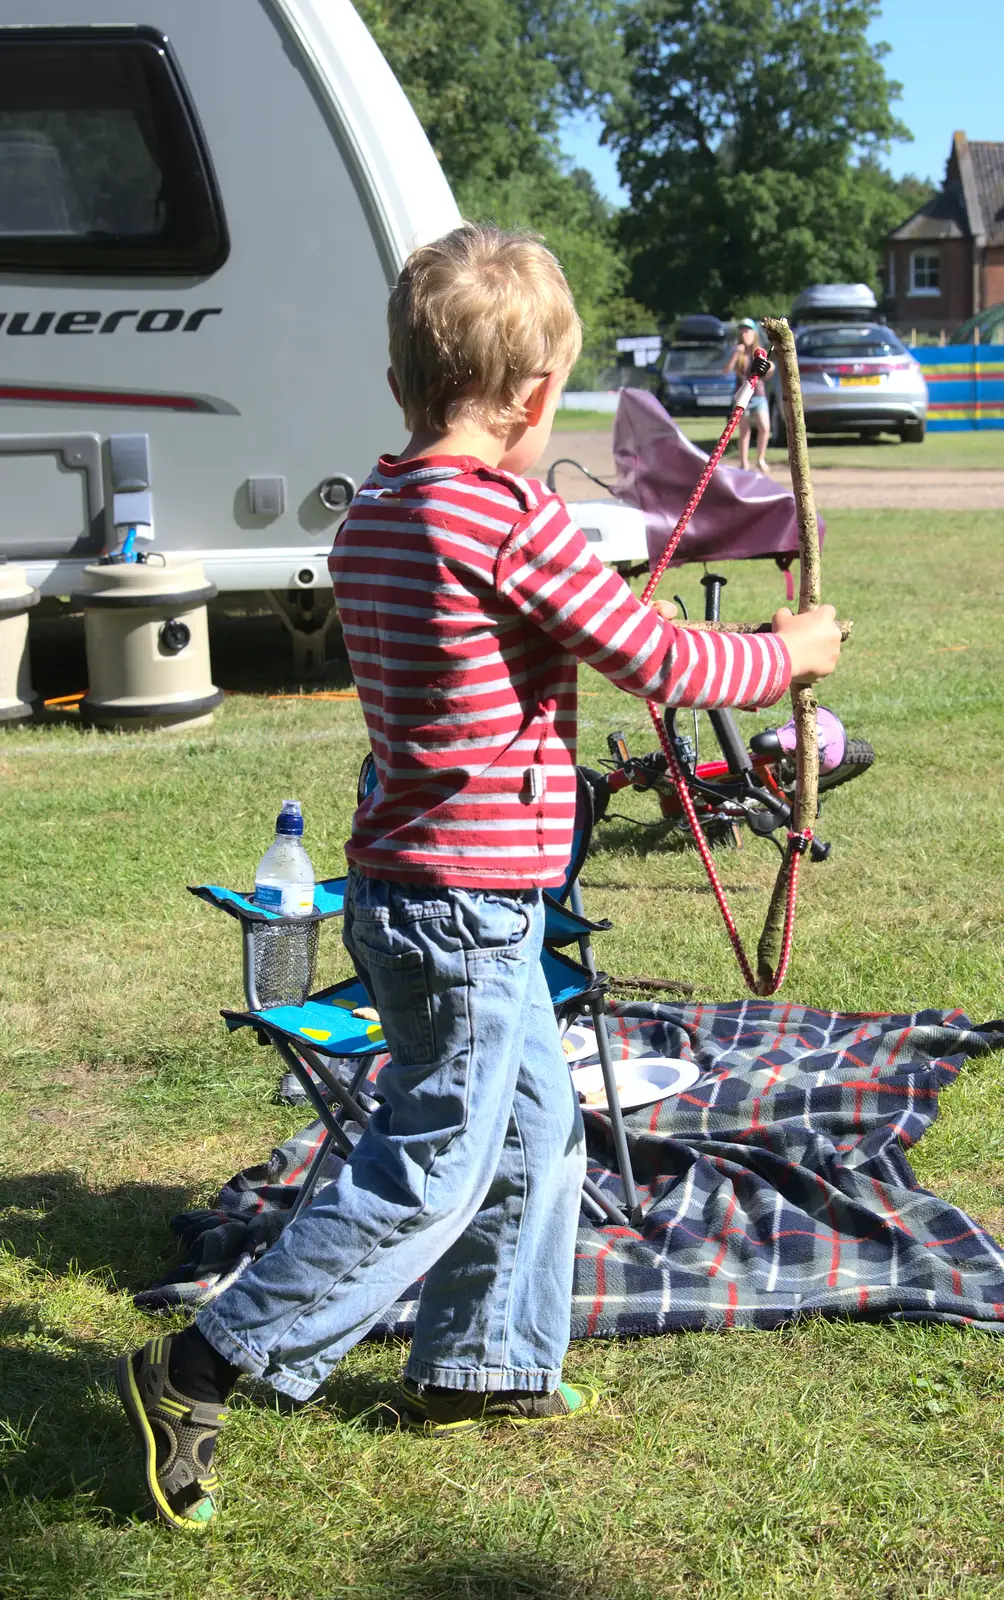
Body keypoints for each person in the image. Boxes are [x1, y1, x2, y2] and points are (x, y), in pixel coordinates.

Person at [114, 225, 842, 1532]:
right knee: (438, 1155)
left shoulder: (381, 510)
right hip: (463, 904)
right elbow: (659, 663)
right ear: (536, 398)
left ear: (401, 383)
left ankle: (481, 1367)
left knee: (533, 1132)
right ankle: (203, 1364)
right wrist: (785, 652)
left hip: (416, 891)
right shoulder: (506, 518)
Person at [726, 316, 773, 473]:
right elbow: (726, 371)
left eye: (748, 331)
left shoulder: (759, 352)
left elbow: (770, 368)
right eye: (742, 331)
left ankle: (760, 459)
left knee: (764, 427)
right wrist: (735, 355)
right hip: (743, 394)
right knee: (745, 430)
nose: (745, 334)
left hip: (758, 393)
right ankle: (743, 462)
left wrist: (767, 365)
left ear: (754, 333)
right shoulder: (737, 352)